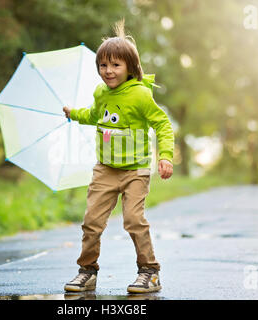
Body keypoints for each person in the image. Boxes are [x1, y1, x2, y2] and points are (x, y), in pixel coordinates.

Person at [62, 19, 174, 294]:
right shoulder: (101, 93)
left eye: (115, 65)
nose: (108, 71)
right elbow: (93, 115)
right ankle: (87, 271)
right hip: (105, 170)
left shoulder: (140, 95)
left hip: (136, 170)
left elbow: (162, 124)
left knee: (134, 220)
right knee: (91, 221)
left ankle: (150, 272)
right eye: (103, 65)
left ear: (130, 67)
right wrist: (74, 114)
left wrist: (166, 156)